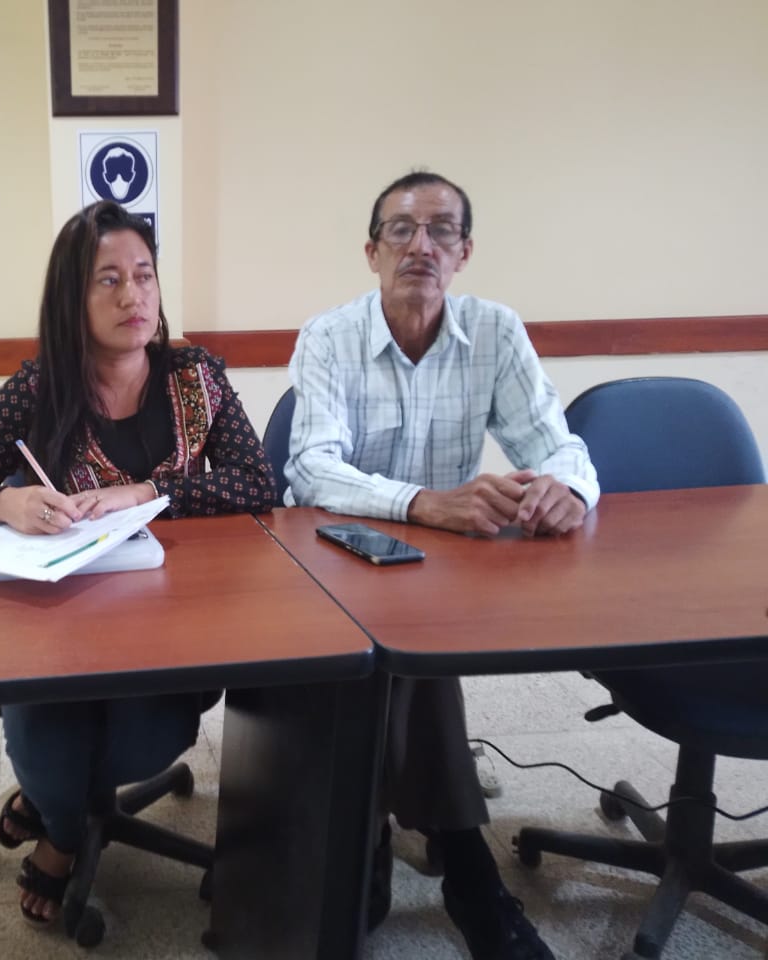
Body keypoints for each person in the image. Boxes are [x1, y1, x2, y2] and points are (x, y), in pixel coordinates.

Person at [0, 200, 276, 925]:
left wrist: (149, 492)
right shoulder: (38, 389)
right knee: (46, 726)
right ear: (71, 299)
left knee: (141, 739)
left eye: (144, 275)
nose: (132, 295)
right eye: (107, 280)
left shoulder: (196, 378)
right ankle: (62, 827)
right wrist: (5, 502)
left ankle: (54, 806)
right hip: (63, 627)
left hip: (174, 627)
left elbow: (258, 483)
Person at [285, 171, 599, 960]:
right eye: (401, 229)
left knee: (413, 645)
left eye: (441, 230)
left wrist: (566, 488)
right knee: (406, 653)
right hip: (332, 562)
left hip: (439, 574)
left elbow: (558, 444)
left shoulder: (495, 332)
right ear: (372, 251)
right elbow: (312, 470)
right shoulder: (329, 337)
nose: (421, 246)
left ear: (464, 252)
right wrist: (426, 503)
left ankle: (370, 837)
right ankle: (467, 870)